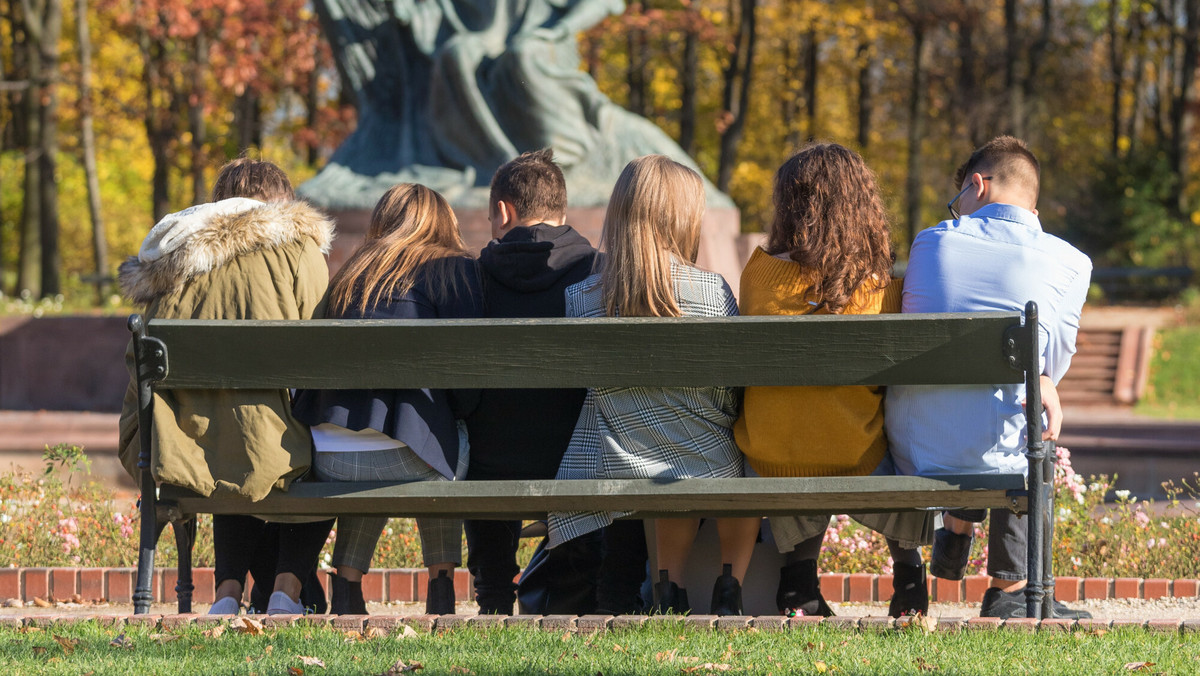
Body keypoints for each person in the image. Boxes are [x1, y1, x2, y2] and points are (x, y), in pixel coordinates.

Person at [886, 136, 1093, 619]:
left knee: (973, 406)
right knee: (1025, 417)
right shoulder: (1071, 262)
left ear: (977, 185)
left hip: (917, 448)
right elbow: (1052, 362)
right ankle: (1011, 588)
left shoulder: (930, 242)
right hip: (1001, 451)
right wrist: (1040, 378)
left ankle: (957, 530)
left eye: (958, 198)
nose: (954, 210)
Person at [117, 158, 336, 615]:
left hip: (176, 447)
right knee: (304, 444)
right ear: (282, 203)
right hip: (270, 447)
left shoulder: (171, 265)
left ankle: (227, 594)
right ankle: (286, 592)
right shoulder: (298, 252)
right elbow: (320, 353)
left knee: (229, 434)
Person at [546, 154, 759, 616]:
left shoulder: (581, 299)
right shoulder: (713, 291)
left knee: (662, 450)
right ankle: (728, 589)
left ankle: (669, 588)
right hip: (708, 459)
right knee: (731, 454)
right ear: (683, 217)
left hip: (621, 456)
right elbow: (729, 392)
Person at [733, 143, 933, 618]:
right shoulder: (880, 288)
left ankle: (798, 582)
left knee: (800, 425)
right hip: (855, 455)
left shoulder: (759, 276)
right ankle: (908, 576)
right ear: (862, 207)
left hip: (771, 456)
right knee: (887, 437)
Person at [462, 148, 647, 616]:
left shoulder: (471, 280)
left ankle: (495, 595)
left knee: (484, 438)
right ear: (562, 209)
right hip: (580, 456)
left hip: (492, 461)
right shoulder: (600, 273)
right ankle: (576, 589)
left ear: (504, 212)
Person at [292, 184, 482, 615]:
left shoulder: (349, 273)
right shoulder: (453, 270)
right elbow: (467, 385)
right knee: (436, 445)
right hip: (411, 460)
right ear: (441, 222)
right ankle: (441, 584)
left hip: (331, 456)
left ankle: (347, 585)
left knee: (377, 438)